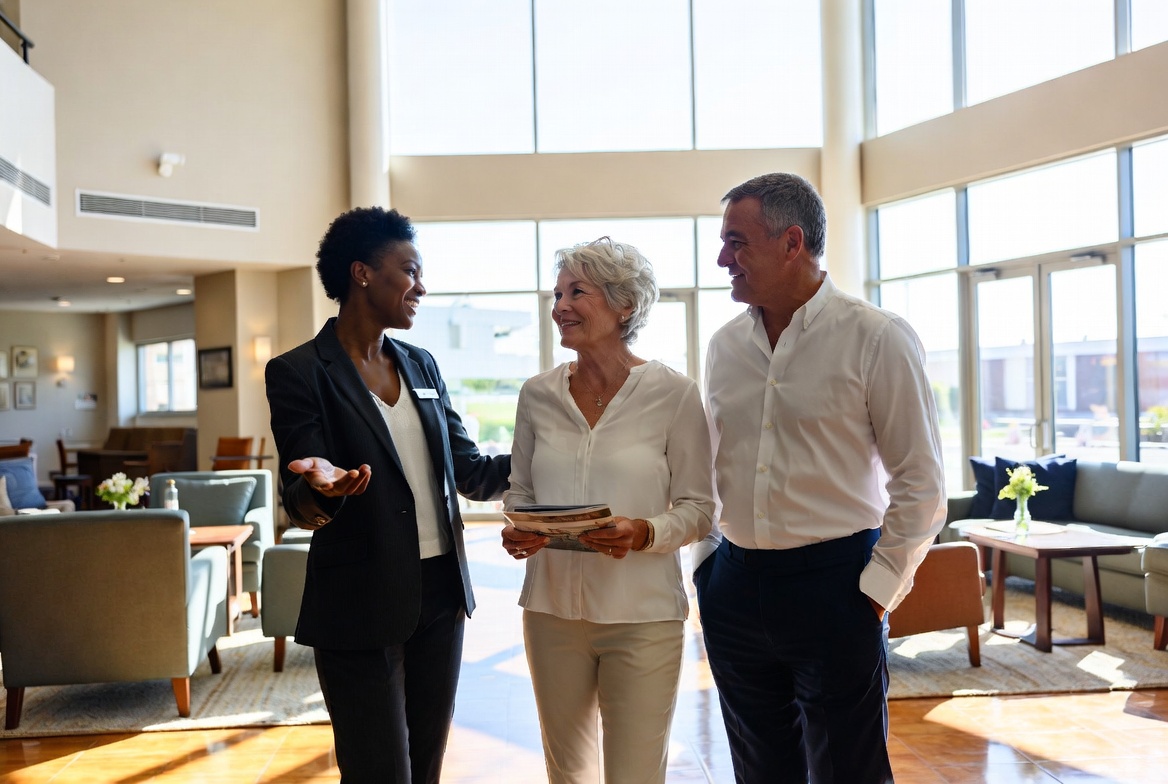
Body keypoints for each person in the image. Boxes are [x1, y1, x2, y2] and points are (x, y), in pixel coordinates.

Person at [695, 173, 946, 783]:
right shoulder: (724, 346)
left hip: (837, 588)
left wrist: (874, 593)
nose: (723, 258)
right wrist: (707, 568)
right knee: (759, 768)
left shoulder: (877, 337)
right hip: (734, 586)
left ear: (791, 242)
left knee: (846, 770)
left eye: (736, 241)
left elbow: (921, 481)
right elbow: (709, 464)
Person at [265, 206, 511, 784]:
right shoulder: (300, 371)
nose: (421, 287)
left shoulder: (422, 365)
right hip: (359, 601)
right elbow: (300, 495)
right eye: (410, 271)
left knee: (424, 766)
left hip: (440, 596)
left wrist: (541, 455)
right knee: (379, 771)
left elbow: (469, 471)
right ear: (363, 274)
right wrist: (319, 485)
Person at [500, 237, 714, 784]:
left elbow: (700, 508)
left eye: (577, 293)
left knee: (635, 775)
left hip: (642, 618)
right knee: (567, 773)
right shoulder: (536, 395)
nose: (560, 307)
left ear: (624, 306)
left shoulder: (675, 393)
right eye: (557, 294)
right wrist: (520, 528)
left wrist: (644, 531)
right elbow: (519, 492)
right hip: (550, 614)